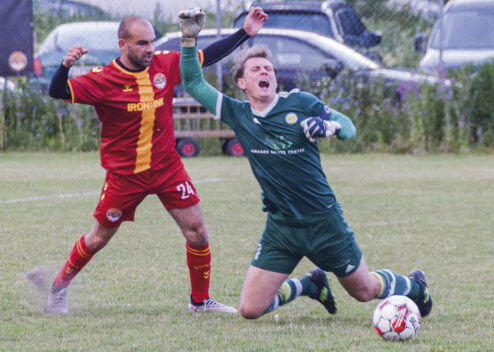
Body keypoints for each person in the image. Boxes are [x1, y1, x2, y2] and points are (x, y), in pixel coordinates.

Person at [178, 14, 433, 319]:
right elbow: (193, 81)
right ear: (242, 83)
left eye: (269, 69)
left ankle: (415, 287)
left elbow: (348, 126)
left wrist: (330, 128)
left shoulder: (299, 103)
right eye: (256, 69)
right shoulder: (238, 114)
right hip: (281, 227)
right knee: (249, 309)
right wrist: (189, 41)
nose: (265, 72)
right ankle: (310, 285)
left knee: (363, 290)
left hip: (323, 221)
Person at [28, 8, 268, 315]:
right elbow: (57, 91)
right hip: (125, 175)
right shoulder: (104, 79)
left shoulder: (164, 64)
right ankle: (58, 289)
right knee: (99, 237)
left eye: (151, 42)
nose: (149, 49)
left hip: (167, 168)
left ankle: (200, 302)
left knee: (196, 230)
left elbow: (207, 55)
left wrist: (245, 32)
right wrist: (64, 66)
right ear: (122, 45)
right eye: (142, 43)